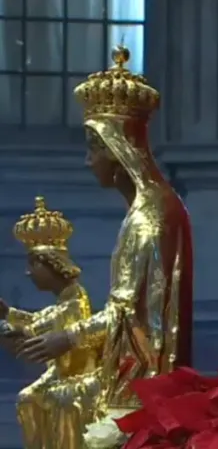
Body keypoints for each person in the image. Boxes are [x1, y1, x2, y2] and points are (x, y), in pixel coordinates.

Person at [15, 45, 195, 413]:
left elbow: (126, 312)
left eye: (92, 150)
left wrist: (68, 337)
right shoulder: (150, 207)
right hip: (130, 369)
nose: (87, 161)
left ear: (117, 151)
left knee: (45, 404)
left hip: (140, 386)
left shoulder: (150, 219)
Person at [0, 196, 103, 449]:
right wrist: (8, 313)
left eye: (33, 265)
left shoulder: (75, 302)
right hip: (60, 373)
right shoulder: (64, 301)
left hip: (76, 378)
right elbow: (39, 319)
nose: (28, 272)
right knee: (27, 398)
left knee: (31, 398)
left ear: (52, 265)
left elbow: (37, 331)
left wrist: (6, 327)